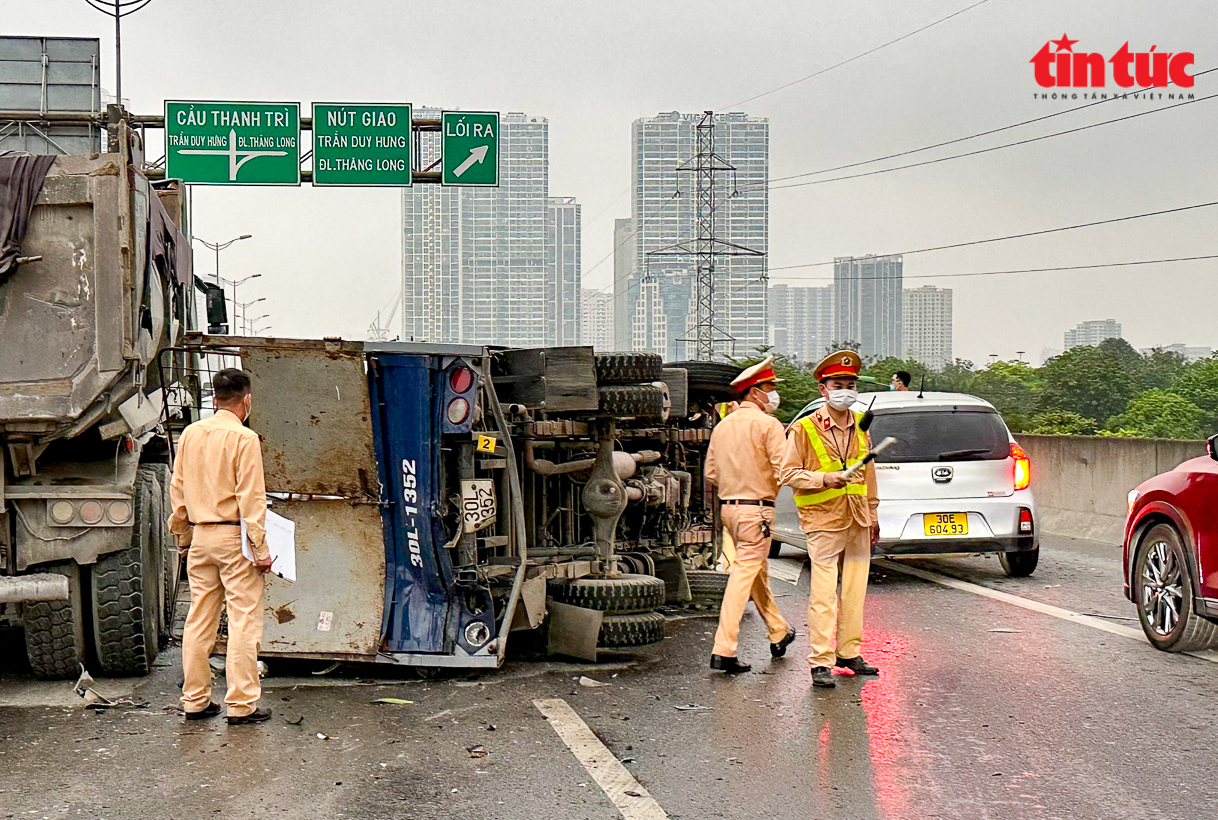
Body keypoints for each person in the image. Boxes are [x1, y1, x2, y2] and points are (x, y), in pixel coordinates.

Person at [169, 369, 274, 724]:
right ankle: (242, 706)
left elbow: (178, 491)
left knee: (199, 620)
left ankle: (195, 701)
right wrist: (260, 550)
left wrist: (183, 537)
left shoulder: (190, 434)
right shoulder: (245, 440)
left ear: (214, 399)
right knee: (244, 621)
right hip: (234, 538)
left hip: (200, 537)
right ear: (247, 401)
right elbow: (252, 499)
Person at [780, 351, 880, 688]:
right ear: (824, 389)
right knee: (823, 593)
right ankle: (820, 661)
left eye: (851, 385)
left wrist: (874, 511)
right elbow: (788, 473)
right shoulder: (804, 428)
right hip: (823, 519)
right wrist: (824, 480)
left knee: (855, 590)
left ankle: (848, 653)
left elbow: (868, 472)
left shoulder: (860, 426)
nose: (846, 390)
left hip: (857, 518)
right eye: (838, 384)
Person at [704, 355, 796, 674]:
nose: (773, 394)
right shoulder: (769, 425)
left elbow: (711, 473)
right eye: (770, 387)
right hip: (757, 511)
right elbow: (785, 469)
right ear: (754, 392)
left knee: (755, 572)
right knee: (743, 577)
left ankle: (779, 630)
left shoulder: (722, 427)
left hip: (729, 510)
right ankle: (724, 649)